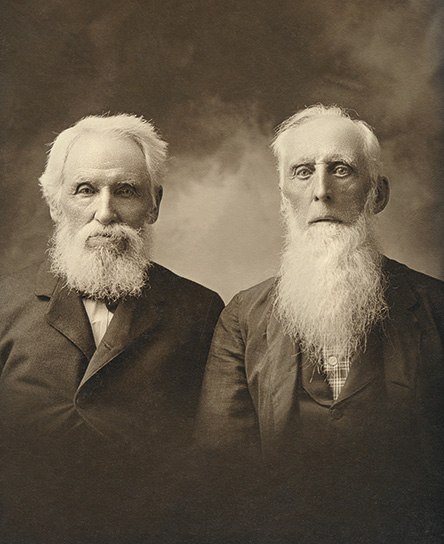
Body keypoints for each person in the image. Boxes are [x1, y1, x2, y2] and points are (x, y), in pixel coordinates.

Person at [196, 105, 444, 543]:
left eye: (342, 170)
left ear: (377, 194)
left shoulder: (435, 307)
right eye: (303, 172)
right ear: (283, 197)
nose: (321, 191)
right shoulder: (243, 317)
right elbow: (223, 470)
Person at [0, 114, 224, 544]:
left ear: (154, 203)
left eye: (126, 191)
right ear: (54, 203)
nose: (105, 212)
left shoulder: (201, 311)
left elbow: (219, 455)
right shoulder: (5, 305)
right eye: (86, 190)